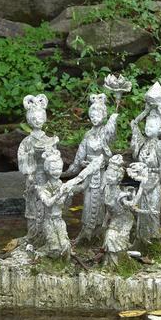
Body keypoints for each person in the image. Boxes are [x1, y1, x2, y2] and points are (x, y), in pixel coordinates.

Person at [63, 93, 118, 244]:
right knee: (88, 203)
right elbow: (80, 157)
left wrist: (113, 120)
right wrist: (73, 169)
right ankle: (86, 232)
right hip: (88, 174)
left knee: (101, 201)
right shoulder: (87, 134)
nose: (94, 118)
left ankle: (99, 232)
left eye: (98, 115)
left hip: (101, 174)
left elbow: (109, 149)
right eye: (92, 115)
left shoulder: (105, 133)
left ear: (104, 115)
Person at [130, 82, 161, 244]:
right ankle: (141, 241)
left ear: (160, 129)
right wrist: (146, 111)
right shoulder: (142, 143)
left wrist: (160, 110)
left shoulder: (160, 145)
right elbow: (134, 124)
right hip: (142, 183)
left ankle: (154, 243)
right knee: (140, 213)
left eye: (153, 125)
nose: (148, 127)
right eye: (147, 124)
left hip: (154, 183)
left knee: (152, 213)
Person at [17, 94, 58, 246]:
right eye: (34, 118)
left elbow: (55, 160)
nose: (37, 120)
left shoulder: (49, 139)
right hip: (33, 178)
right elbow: (21, 157)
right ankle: (33, 236)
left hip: (46, 177)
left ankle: (46, 236)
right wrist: (30, 157)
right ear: (29, 119)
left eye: (40, 117)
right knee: (32, 209)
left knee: (46, 206)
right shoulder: (26, 142)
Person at [102, 155, 137, 268]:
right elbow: (109, 209)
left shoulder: (121, 195)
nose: (109, 177)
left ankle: (118, 265)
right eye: (108, 174)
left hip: (124, 220)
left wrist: (139, 190)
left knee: (111, 237)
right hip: (114, 218)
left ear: (118, 177)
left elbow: (132, 205)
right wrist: (105, 222)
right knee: (108, 236)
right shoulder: (106, 190)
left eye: (112, 176)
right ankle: (108, 264)